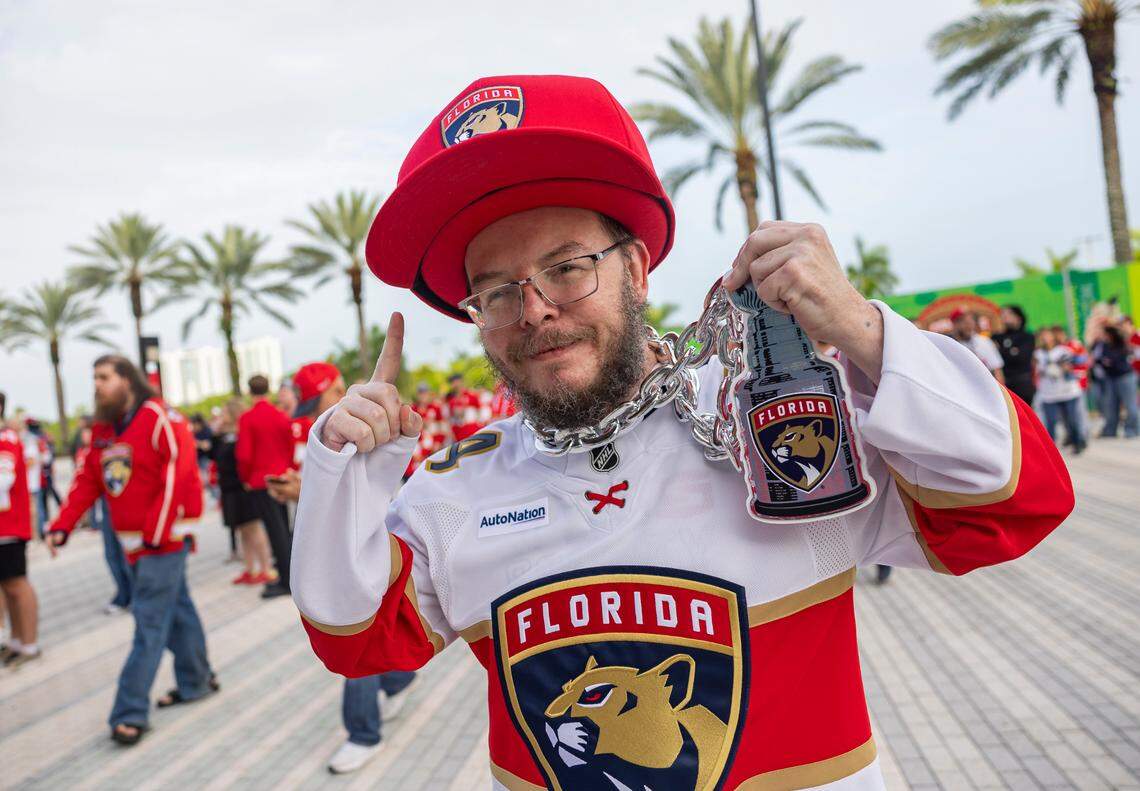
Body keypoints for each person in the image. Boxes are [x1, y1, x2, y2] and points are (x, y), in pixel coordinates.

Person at [289, 75, 1074, 789]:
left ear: (635, 268)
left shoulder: (780, 426)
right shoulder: (455, 492)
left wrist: (865, 332)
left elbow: (1013, 503)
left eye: (567, 267)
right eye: (497, 292)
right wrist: (344, 471)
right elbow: (358, 642)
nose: (533, 310)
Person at [47, 355, 217, 745]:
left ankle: (129, 711)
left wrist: (157, 533)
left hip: (163, 541)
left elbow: (179, 472)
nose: (97, 385)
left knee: (149, 623)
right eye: (94, 377)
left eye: (104, 377)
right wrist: (62, 526)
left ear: (127, 379)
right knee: (178, 612)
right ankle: (196, 681)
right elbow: (89, 479)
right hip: (136, 546)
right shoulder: (105, 429)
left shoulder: (160, 416)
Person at [260, 362, 419, 774]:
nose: (328, 402)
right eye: (319, 399)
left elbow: (384, 481)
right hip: (327, 547)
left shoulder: (373, 416)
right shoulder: (309, 430)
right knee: (365, 631)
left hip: (372, 539)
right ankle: (399, 680)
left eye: (329, 393)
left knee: (358, 635)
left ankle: (363, 733)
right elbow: (307, 483)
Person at [235, 374, 295, 599]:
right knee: (284, 527)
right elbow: (290, 446)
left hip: (260, 480)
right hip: (281, 477)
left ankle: (286, 580)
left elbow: (244, 454)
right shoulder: (280, 416)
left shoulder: (248, 418)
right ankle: (288, 576)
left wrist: (246, 478)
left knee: (275, 531)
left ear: (249, 391)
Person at [211, 400, 274, 584]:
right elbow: (214, 455)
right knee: (242, 530)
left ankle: (266, 568)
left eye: (224, 413)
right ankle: (250, 569)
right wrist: (216, 433)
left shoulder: (241, 434)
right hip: (229, 488)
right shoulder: (224, 436)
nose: (221, 417)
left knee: (254, 528)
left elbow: (245, 458)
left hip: (242, 487)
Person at [0, 391, 41, 668]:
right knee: (7, 585)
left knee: (17, 584)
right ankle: (15, 640)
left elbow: (3, 481)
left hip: (8, 527)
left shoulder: (6, 440)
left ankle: (29, 643)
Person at [76, 425, 133, 614]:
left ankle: (134, 594)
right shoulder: (96, 442)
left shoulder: (128, 428)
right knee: (111, 553)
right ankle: (123, 594)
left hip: (127, 503)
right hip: (107, 504)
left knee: (126, 553)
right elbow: (87, 482)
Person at [1034, 329, 1086, 452]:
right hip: (1049, 393)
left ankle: (1078, 442)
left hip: (1068, 391)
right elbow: (1036, 370)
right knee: (1051, 421)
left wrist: (1064, 366)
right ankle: (1050, 448)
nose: (1045, 339)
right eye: (1042, 336)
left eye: (1047, 336)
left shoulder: (1063, 351)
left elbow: (1076, 363)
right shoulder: (1038, 354)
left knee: (1072, 419)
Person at [1091, 325, 1139, 438]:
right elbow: (1097, 359)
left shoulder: (1121, 343)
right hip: (1110, 378)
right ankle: (1110, 430)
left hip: (1125, 377)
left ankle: (1131, 430)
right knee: (1111, 405)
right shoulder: (1103, 345)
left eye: (1105, 334)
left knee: (1130, 405)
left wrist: (1107, 361)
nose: (1103, 337)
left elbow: (1116, 360)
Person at [993, 305, 1036, 406]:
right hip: (1004, 385)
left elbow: (1021, 358)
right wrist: (1011, 351)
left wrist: (1001, 350)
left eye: (1009, 314)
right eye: (1003, 314)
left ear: (1018, 317)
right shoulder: (996, 337)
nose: (1004, 317)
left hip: (1023, 385)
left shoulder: (1027, 336)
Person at [949, 309, 1005, 384]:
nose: (968, 324)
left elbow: (997, 370)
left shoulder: (984, 341)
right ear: (954, 324)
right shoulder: (950, 344)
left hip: (985, 386)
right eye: (963, 321)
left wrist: (1001, 392)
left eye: (970, 321)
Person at [445, 373, 485, 441]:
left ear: (460, 382)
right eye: (452, 382)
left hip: (472, 431)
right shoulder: (451, 400)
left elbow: (480, 413)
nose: (453, 385)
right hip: (458, 433)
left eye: (454, 382)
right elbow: (450, 419)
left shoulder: (471, 396)